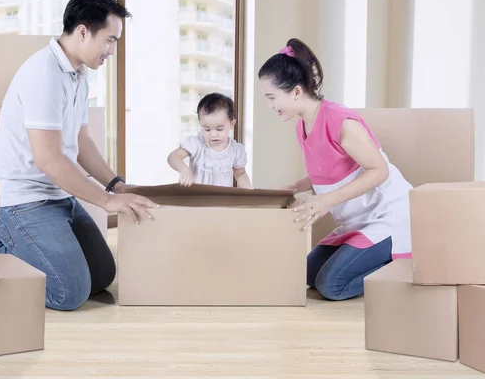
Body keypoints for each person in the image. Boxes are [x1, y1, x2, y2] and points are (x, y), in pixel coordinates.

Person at [0, 0, 157, 312]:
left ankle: (28, 247)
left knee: (101, 276)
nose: (112, 50)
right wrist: (106, 201)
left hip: (56, 197)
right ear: (82, 32)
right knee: (69, 292)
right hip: (20, 202)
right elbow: (48, 158)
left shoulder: (77, 75)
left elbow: (81, 143)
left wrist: (116, 186)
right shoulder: (43, 74)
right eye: (109, 40)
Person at [258, 38, 413, 301]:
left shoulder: (340, 121)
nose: (270, 106)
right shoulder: (302, 125)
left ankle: (400, 267)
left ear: (296, 92)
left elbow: (379, 171)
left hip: (388, 216)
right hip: (358, 218)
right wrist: (294, 187)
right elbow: (329, 171)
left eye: (272, 97)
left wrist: (326, 201)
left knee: (332, 286)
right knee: (307, 274)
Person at [167, 92, 252, 188]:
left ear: (232, 124)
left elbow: (240, 174)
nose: (213, 134)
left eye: (219, 129)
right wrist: (184, 169)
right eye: (207, 129)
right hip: (197, 199)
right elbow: (173, 157)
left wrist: (250, 193)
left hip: (222, 200)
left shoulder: (236, 150)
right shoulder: (197, 143)